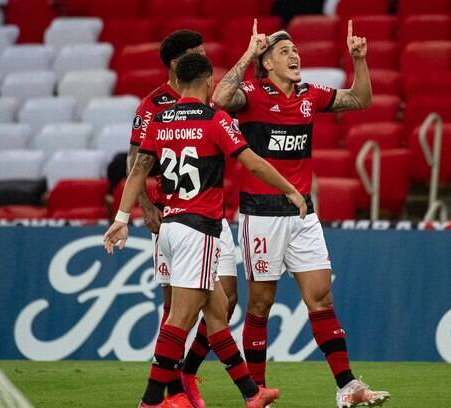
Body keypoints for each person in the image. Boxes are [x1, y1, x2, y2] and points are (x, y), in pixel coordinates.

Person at [105, 53, 307, 408]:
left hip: (170, 227)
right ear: (207, 81)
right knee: (180, 318)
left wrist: (122, 219)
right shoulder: (216, 119)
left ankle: (251, 393)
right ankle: (152, 401)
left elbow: (138, 169)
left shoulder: (161, 118)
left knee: (217, 310)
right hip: (198, 228)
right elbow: (252, 162)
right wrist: (289, 189)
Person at [212, 19, 390, 407]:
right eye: (283, 51)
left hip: (302, 212)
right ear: (267, 64)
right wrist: (249, 52)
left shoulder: (310, 94)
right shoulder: (252, 93)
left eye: (295, 50)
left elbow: (360, 100)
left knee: (322, 297)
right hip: (261, 214)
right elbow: (219, 99)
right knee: (260, 303)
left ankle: (348, 386)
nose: (294, 55)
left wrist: (359, 60)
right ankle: (256, 392)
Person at [128, 29, 240, 407]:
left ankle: (184, 373)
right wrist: (143, 205)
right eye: (198, 55)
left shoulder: (211, 98)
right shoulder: (152, 105)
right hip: (173, 215)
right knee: (176, 307)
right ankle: (170, 391)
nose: (207, 62)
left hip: (212, 214)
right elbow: (137, 160)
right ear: (178, 62)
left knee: (226, 301)